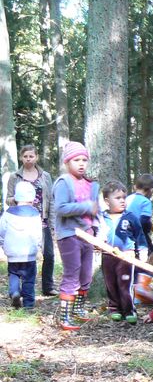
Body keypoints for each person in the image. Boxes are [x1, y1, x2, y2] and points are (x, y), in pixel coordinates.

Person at [52, 141, 100, 330]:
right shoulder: (64, 182)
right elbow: (61, 208)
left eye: (84, 160)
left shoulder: (90, 184)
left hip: (87, 235)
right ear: (67, 162)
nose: (81, 164)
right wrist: (87, 207)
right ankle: (65, 317)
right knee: (72, 274)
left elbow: (97, 212)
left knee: (86, 274)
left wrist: (96, 232)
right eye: (76, 160)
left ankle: (78, 310)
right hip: (69, 234)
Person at [5, 145, 56, 295]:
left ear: (36, 157)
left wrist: (52, 223)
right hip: (21, 220)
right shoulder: (15, 177)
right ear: (21, 157)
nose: (28, 159)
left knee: (49, 254)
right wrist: (17, 199)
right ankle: (21, 288)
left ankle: (48, 286)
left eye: (31, 156)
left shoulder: (45, 176)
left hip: (42, 220)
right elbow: (8, 199)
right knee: (24, 256)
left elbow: (51, 200)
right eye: (25, 156)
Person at [100, 181, 144, 323]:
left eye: (124, 197)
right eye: (117, 198)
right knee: (110, 283)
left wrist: (142, 251)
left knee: (125, 283)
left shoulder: (130, 217)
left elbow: (140, 236)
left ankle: (129, 310)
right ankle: (115, 308)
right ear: (107, 201)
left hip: (126, 256)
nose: (122, 201)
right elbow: (96, 234)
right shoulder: (102, 218)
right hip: (107, 255)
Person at [0, 182, 41, 309]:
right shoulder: (35, 214)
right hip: (29, 253)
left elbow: (2, 230)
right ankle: (28, 305)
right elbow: (38, 234)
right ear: (32, 198)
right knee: (29, 279)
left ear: (16, 197)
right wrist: (38, 248)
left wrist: (2, 244)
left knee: (14, 274)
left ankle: (15, 292)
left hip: (13, 253)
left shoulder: (7, 213)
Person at [126, 173, 153, 305]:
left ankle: (135, 292)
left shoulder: (128, 198)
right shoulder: (146, 202)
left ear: (135, 186)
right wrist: (150, 228)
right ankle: (142, 287)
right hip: (140, 236)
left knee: (134, 263)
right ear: (150, 190)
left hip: (126, 235)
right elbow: (144, 220)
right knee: (152, 259)